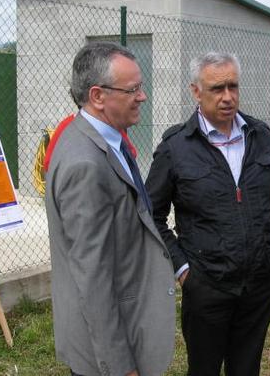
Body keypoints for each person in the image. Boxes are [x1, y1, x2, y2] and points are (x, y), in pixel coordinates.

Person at [146, 51, 270, 376]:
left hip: (260, 284)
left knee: (246, 367)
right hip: (207, 286)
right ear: (196, 91)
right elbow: (150, 214)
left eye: (233, 86)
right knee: (204, 368)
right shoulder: (176, 147)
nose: (227, 97)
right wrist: (183, 269)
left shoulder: (259, 135)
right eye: (217, 89)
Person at [45, 42, 175, 376]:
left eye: (141, 87)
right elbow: (93, 276)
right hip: (107, 353)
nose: (142, 97)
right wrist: (120, 366)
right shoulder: (85, 164)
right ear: (98, 96)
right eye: (132, 89)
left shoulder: (106, 140)